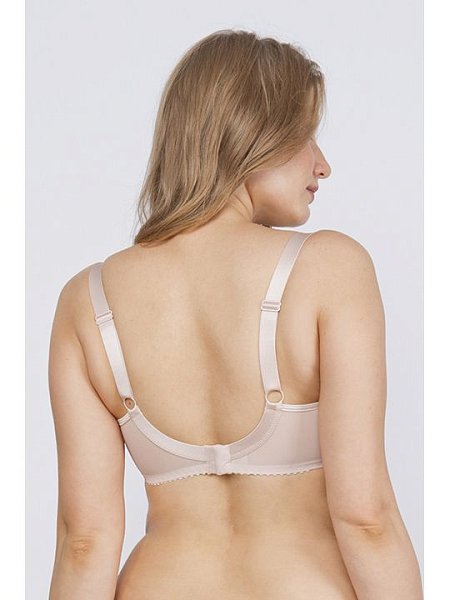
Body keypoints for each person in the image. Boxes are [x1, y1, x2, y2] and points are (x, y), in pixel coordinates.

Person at [48, 29, 423, 599]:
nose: (322, 165)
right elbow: (366, 517)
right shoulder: (330, 269)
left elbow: (85, 542)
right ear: (251, 135)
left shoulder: (87, 301)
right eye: (304, 135)